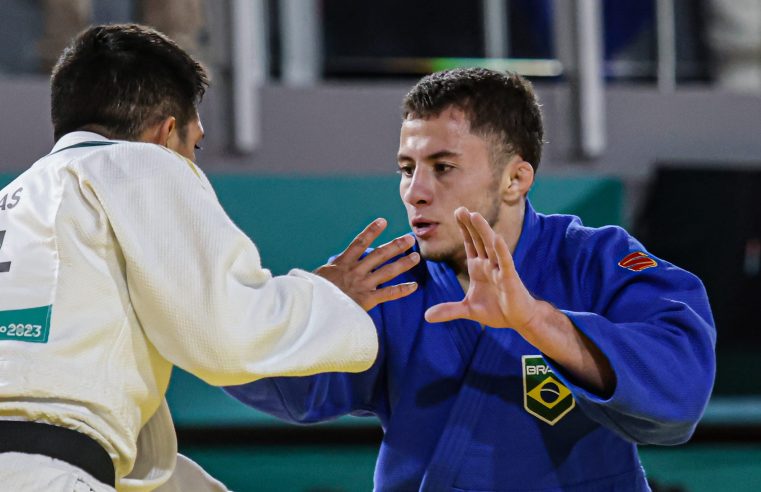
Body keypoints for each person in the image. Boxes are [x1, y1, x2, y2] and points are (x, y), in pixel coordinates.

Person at [226, 68, 717, 491]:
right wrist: (306, 313)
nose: (415, 192)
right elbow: (292, 392)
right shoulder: (384, 279)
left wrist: (535, 321)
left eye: (443, 168)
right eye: (406, 169)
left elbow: (681, 389)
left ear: (515, 180)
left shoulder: (593, 261)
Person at [0, 23, 419, 492]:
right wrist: (327, 297)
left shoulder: (15, 199)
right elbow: (226, 334)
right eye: (194, 146)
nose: (193, 165)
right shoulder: (141, 162)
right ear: (166, 133)